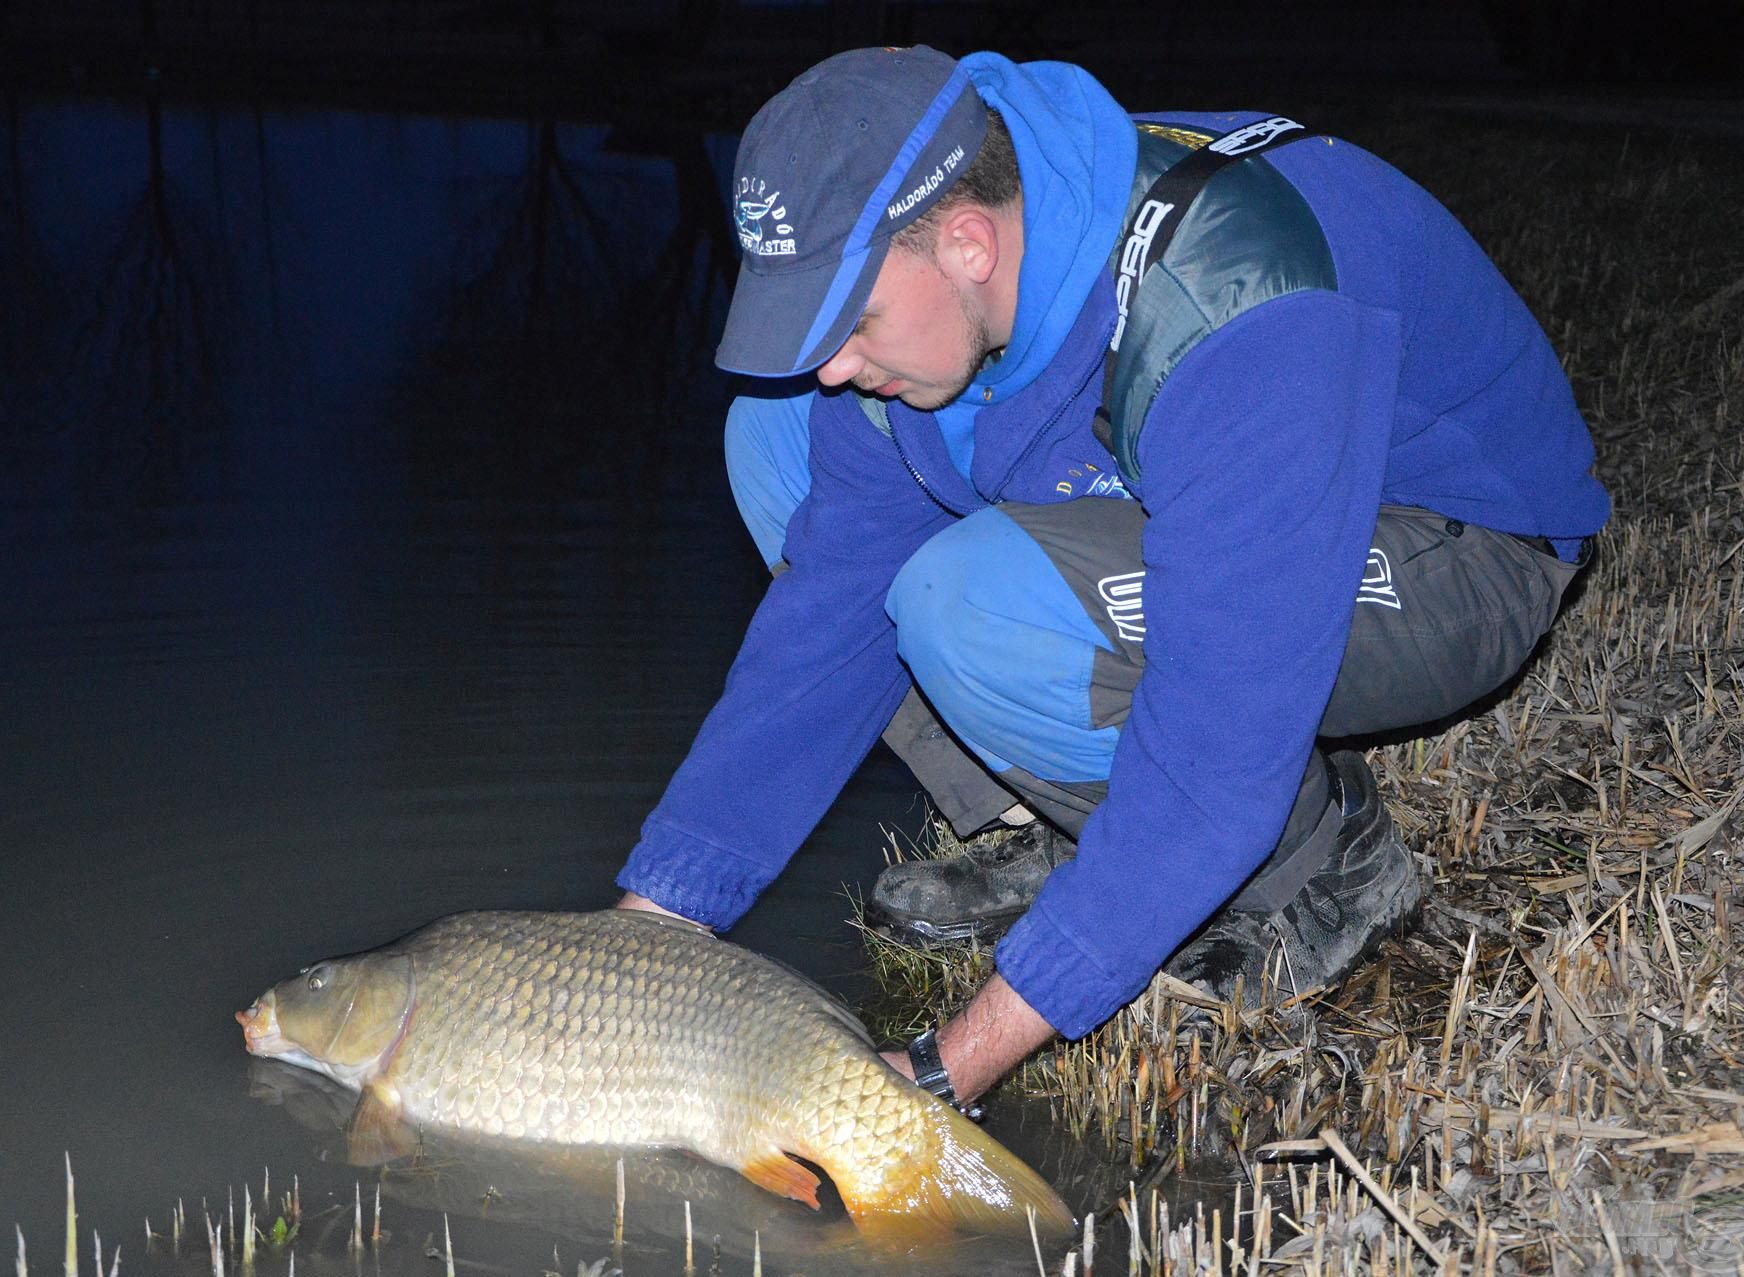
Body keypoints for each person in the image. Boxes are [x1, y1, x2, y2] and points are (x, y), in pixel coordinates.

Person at [615, 46, 1608, 1112]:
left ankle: (1321, 868)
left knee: (972, 605)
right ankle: (1065, 824)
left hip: (1454, 546)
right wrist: (655, 919)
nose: (835, 361)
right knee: (780, 436)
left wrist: (946, 1067)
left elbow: (1219, 736)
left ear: (966, 242)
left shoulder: (1234, 303)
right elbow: (826, 622)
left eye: (850, 322)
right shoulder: (976, 259)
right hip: (1219, 480)